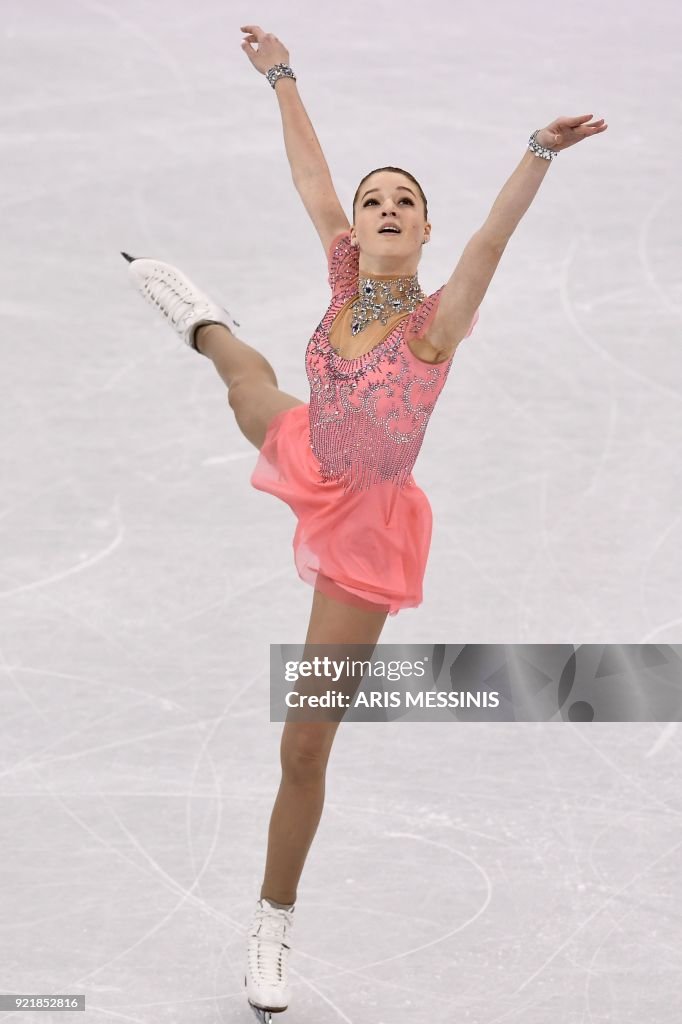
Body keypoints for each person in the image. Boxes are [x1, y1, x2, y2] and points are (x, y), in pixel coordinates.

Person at [122, 24, 607, 1021]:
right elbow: (312, 179)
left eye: (405, 204)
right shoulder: (344, 278)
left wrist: (539, 151)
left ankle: (271, 917)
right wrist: (280, 74)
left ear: (423, 234)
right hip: (313, 449)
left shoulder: (433, 326)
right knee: (244, 380)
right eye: (374, 200)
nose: (384, 209)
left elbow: (491, 242)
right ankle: (202, 321)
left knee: (305, 743)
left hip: (364, 527)